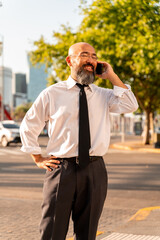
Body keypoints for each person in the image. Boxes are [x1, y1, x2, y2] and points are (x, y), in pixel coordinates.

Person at [20, 42, 138, 240]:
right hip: (61, 170)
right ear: (69, 60)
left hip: (95, 170)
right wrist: (37, 158)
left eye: (93, 56)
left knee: (88, 232)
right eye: (84, 55)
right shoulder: (52, 93)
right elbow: (28, 125)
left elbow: (130, 104)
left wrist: (111, 75)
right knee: (52, 231)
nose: (90, 60)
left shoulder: (104, 95)